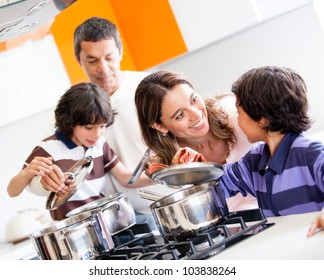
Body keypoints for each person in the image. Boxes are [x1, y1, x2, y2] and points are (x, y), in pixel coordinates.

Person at [7, 82, 154, 221]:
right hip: (72, 227)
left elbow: (126, 178)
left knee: (149, 222)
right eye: (89, 128)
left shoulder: (99, 144)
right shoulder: (49, 148)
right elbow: (12, 191)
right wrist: (26, 173)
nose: (97, 134)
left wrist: (156, 175)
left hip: (104, 218)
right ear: (70, 122)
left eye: (102, 126)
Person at [134, 70, 258, 211]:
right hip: (234, 224)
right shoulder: (174, 162)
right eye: (180, 115)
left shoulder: (234, 115)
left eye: (193, 100)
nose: (196, 114)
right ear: (160, 126)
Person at [218, 66, 324, 217]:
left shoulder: (311, 154)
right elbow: (218, 183)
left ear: (262, 120)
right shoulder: (254, 161)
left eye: (238, 112)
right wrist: (194, 167)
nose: (237, 120)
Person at [73, 16, 153, 216]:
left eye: (109, 57)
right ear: (78, 60)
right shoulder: (76, 107)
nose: (103, 69)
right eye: (92, 60)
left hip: (166, 200)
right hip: (120, 218)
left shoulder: (150, 88)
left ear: (120, 52)